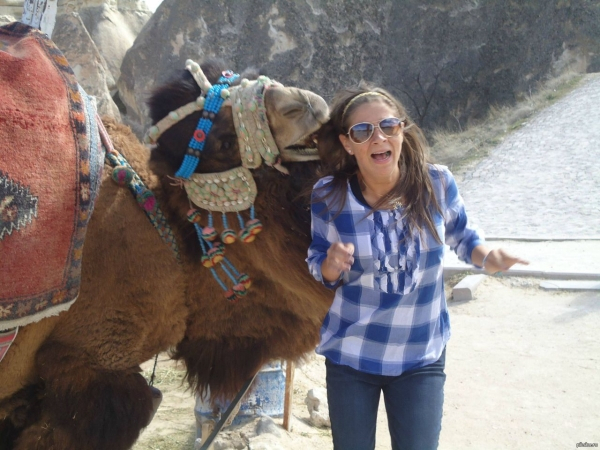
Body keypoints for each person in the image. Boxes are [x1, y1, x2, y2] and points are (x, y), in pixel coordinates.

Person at [306, 84, 528, 450]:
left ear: (402, 130)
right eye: (363, 131)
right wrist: (331, 265)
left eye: (388, 126)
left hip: (420, 354)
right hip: (352, 354)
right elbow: (318, 265)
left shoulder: (436, 183)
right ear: (348, 144)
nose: (378, 137)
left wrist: (488, 257)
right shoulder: (329, 196)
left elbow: (463, 237)